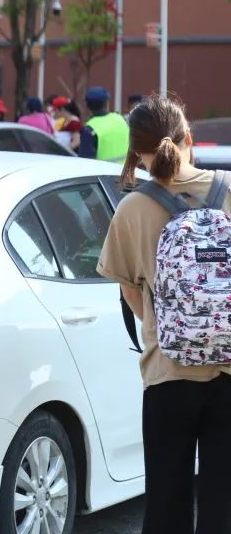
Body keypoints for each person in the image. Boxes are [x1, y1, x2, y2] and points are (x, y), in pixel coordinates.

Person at [98, 95, 231, 534]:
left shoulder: (132, 209)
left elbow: (129, 291)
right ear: (188, 138)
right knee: (224, 504)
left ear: (137, 152)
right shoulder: (229, 189)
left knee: (166, 501)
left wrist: (172, 327)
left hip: (168, 373)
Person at [80, 86, 129, 161]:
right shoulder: (121, 119)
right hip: (128, 168)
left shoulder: (89, 129)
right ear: (107, 103)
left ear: (88, 106)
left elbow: (85, 162)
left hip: (104, 169)